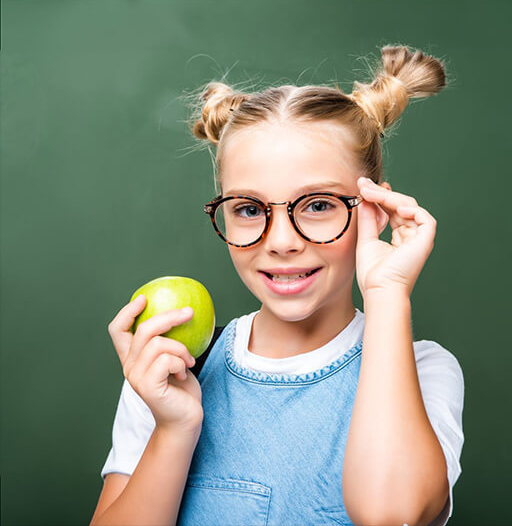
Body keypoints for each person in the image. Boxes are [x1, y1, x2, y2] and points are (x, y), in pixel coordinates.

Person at [90, 44, 464, 526]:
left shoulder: (423, 370)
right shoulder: (171, 370)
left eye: (318, 204)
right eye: (249, 209)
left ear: (375, 209)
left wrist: (388, 291)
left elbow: (391, 514)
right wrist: (173, 428)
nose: (282, 242)